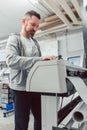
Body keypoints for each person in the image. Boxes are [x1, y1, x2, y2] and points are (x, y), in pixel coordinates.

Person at [6, 10, 56, 130]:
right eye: (33, 25)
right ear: (24, 21)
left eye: (37, 26)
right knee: (22, 122)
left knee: (40, 119)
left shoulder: (35, 42)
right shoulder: (14, 39)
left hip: (36, 87)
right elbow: (11, 61)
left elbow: (38, 64)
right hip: (20, 89)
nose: (35, 28)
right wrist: (40, 59)